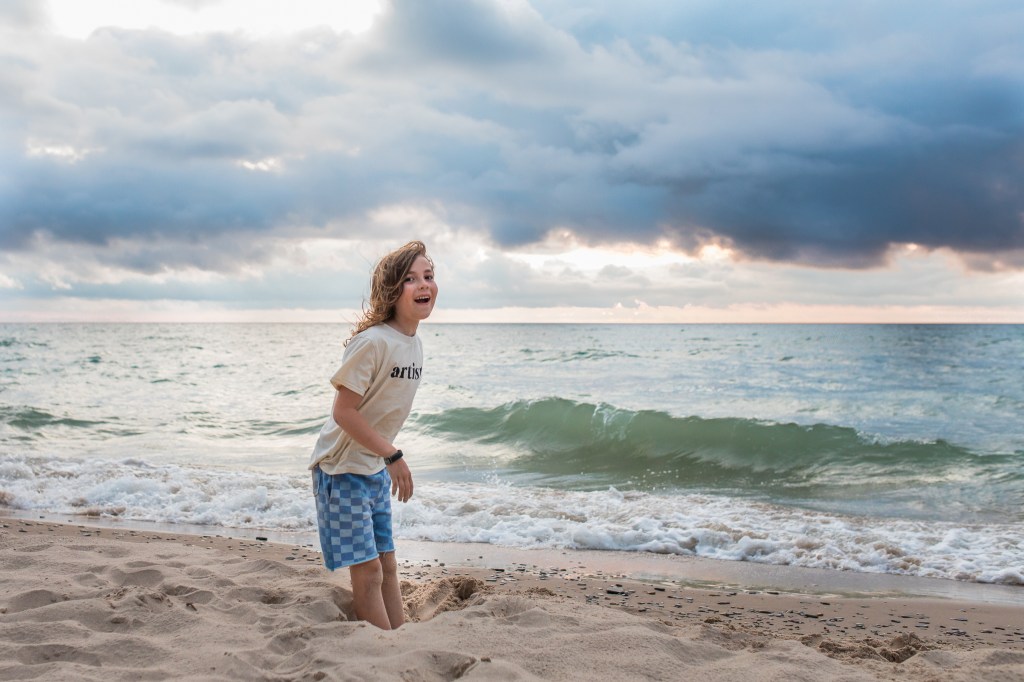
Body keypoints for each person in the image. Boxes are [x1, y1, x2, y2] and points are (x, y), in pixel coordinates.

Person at [308, 240, 437, 630]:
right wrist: (392, 455)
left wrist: (383, 458)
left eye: (428, 276)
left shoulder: (414, 344)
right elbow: (343, 412)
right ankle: (381, 650)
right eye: (410, 279)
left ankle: (399, 639)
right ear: (392, 291)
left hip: (372, 468)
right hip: (341, 470)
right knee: (368, 572)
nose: (423, 285)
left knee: (388, 565)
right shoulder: (373, 342)